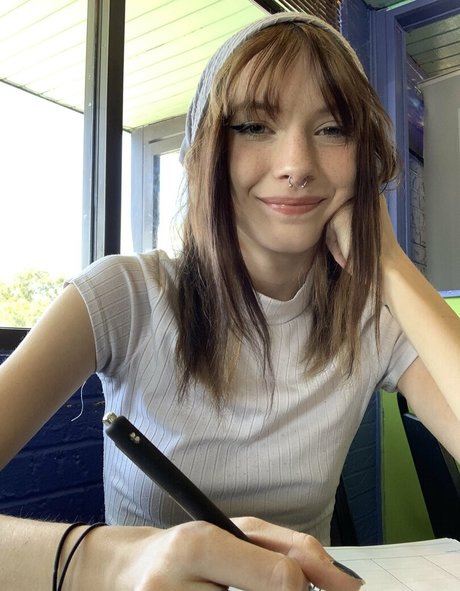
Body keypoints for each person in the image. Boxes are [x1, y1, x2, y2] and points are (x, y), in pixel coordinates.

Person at [1, 11, 459, 591]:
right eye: (253, 126)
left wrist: (388, 265)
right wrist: (115, 561)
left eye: (333, 128)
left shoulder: (373, 317)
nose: (297, 165)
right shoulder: (123, 295)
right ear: (204, 153)